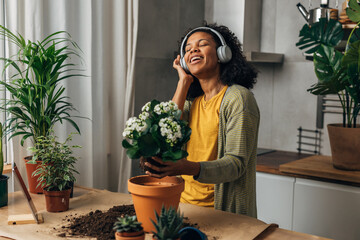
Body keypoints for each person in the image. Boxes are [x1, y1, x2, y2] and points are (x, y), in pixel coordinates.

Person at [144, 23, 260, 218]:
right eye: (188, 49)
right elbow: (163, 135)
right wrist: (183, 82)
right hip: (183, 208)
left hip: (221, 213)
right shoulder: (191, 103)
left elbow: (236, 164)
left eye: (202, 44)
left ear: (223, 53)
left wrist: (186, 167)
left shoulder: (238, 99)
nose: (193, 50)